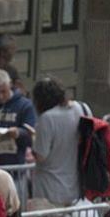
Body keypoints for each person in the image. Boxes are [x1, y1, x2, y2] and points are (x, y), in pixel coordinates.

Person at [31, 76, 88, 207]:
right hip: (74, 183)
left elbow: (41, 156)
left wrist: (33, 138)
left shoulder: (46, 119)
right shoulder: (81, 108)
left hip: (50, 186)